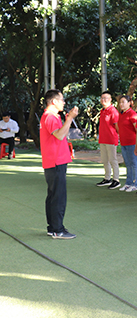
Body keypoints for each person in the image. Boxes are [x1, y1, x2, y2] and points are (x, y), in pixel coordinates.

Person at [40, 89, 78, 239]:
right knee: (58, 196)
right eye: (61, 100)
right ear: (54, 101)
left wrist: (67, 119)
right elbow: (60, 134)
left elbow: (61, 134)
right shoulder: (50, 117)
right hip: (55, 161)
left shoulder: (52, 116)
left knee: (53, 195)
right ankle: (57, 229)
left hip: (55, 160)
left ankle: (53, 227)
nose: (64, 102)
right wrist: (70, 119)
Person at [96, 91, 120, 190]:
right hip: (103, 139)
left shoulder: (113, 111)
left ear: (110, 100)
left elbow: (117, 126)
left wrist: (119, 137)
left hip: (111, 139)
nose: (103, 100)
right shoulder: (102, 111)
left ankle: (116, 179)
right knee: (105, 160)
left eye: (106, 98)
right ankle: (107, 178)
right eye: (102, 98)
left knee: (112, 160)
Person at [118, 95, 137, 192]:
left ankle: (136, 183)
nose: (121, 104)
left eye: (123, 102)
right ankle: (128, 183)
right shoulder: (121, 114)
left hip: (132, 143)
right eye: (120, 102)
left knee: (134, 163)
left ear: (129, 102)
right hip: (123, 143)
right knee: (128, 163)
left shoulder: (132, 114)